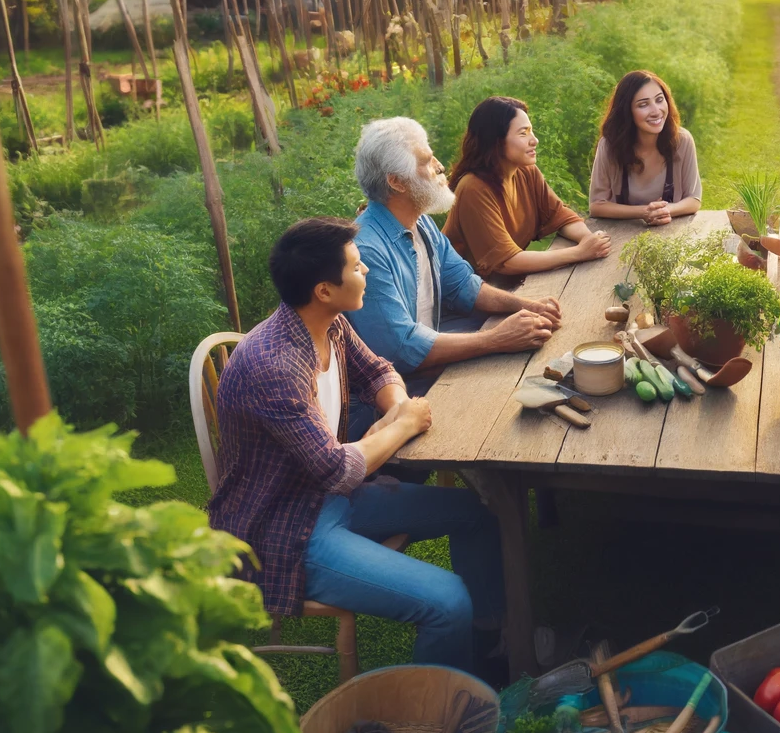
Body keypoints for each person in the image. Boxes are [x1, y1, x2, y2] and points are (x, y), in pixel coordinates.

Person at [207, 217, 505, 674]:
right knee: (447, 602)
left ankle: (486, 645)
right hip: (285, 528)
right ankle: (431, 720)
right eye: (358, 266)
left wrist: (398, 409)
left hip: (330, 497)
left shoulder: (328, 324)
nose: (366, 271)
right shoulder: (274, 366)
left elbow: (377, 371)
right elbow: (336, 469)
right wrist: (402, 427)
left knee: (476, 512)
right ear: (324, 289)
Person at [348, 117, 564, 442]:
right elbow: (402, 349)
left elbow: (463, 285)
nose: (439, 166)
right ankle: (496, 483)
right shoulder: (367, 249)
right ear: (397, 182)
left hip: (425, 370)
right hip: (385, 406)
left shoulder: (421, 223)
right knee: (505, 394)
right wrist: (496, 339)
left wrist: (526, 304)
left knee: (528, 364)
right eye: (426, 161)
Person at [443, 95, 614, 277]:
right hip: (457, 292)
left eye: (531, 131)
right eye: (523, 133)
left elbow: (559, 215)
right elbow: (506, 262)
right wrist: (579, 253)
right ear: (496, 141)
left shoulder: (525, 171)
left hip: (497, 285)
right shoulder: (473, 188)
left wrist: (587, 239)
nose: (534, 140)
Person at [589, 70, 703, 225]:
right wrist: (644, 212)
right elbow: (596, 206)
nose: (656, 111)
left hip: (673, 231)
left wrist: (664, 211)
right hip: (619, 233)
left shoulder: (682, 140)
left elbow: (693, 200)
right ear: (627, 112)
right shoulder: (609, 146)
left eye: (659, 100)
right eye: (643, 105)